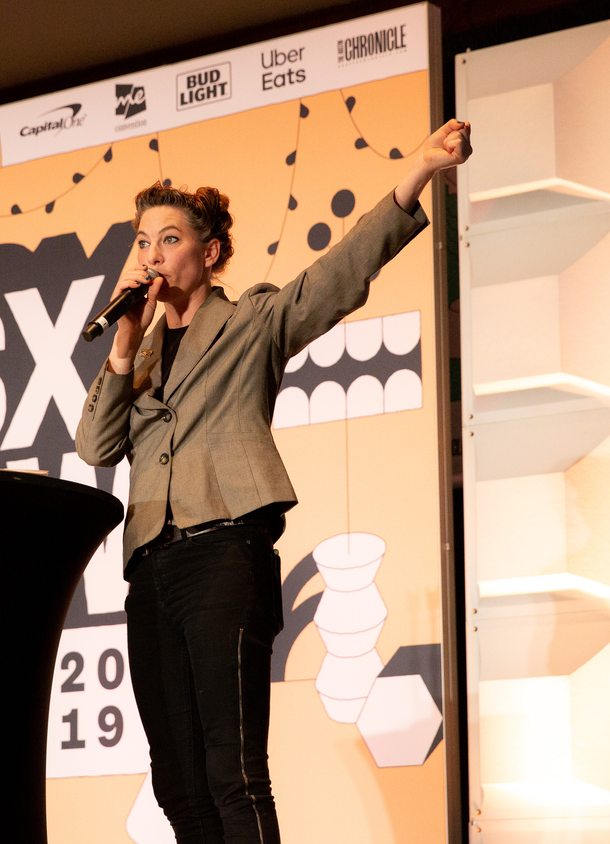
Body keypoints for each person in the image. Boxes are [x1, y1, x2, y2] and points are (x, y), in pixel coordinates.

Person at [75, 119, 472, 844]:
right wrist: (125, 344)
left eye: (169, 238)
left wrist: (417, 171)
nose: (151, 254)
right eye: (143, 241)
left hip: (224, 554)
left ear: (209, 252)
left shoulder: (251, 320)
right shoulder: (143, 351)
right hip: (152, 567)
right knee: (178, 786)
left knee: (233, 774)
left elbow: (339, 274)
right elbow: (95, 445)